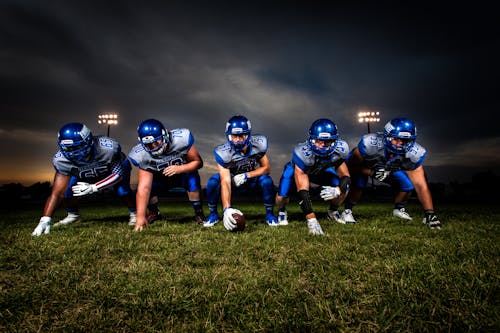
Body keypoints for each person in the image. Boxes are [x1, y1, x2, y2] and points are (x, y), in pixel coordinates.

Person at [32, 122, 137, 236]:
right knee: (68, 191)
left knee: (122, 190)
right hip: (84, 173)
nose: (73, 152)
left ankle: (134, 213)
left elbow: (118, 174)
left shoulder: (108, 148)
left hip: (111, 170)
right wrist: (45, 219)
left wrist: (94, 187)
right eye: (68, 148)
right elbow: (57, 193)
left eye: (76, 146)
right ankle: (73, 215)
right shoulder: (61, 160)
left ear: (89, 141)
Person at [340, 117, 441, 229]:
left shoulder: (415, 153)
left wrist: (430, 213)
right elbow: (350, 166)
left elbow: (421, 186)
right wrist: (371, 172)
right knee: (359, 183)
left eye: (405, 141)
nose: (400, 144)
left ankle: (398, 209)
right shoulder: (369, 144)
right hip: (364, 166)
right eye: (396, 139)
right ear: (386, 137)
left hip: (388, 167)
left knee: (407, 185)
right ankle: (347, 211)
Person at [275, 118, 351, 235]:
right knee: (282, 196)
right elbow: (303, 191)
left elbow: (345, 176)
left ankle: (332, 211)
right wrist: (312, 219)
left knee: (344, 188)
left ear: (335, 140)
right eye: (318, 141)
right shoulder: (302, 153)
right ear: (311, 139)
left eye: (327, 142)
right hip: (298, 170)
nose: (322, 146)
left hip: (320, 171)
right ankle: (281, 211)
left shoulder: (341, 149)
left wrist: (338, 189)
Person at [128, 118, 205, 231]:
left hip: (182, 174)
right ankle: (154, 212)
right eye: (149, 145)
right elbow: (144, 188)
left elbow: (198, 162)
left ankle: (198, 212)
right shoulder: (141, 155)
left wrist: (180, 168)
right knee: (148, 187)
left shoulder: (181, 139)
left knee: (192, 178)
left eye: (156, 142)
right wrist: (140, 216)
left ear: (165, 135)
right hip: (160, 178)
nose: (154, 147)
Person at [203, 115, 279, 228]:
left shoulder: (258, 145)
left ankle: (269, 214)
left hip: (251, 178)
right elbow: (225, 181)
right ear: (229, 136)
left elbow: (266, 168)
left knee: (267, 181)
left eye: (241, 136)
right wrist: (227, 209)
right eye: (234, 136)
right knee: (213, 182)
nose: (238, 140)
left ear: (248, 135)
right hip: (232, 179)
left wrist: (247, 175)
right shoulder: (223, 153)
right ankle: (213, 214)